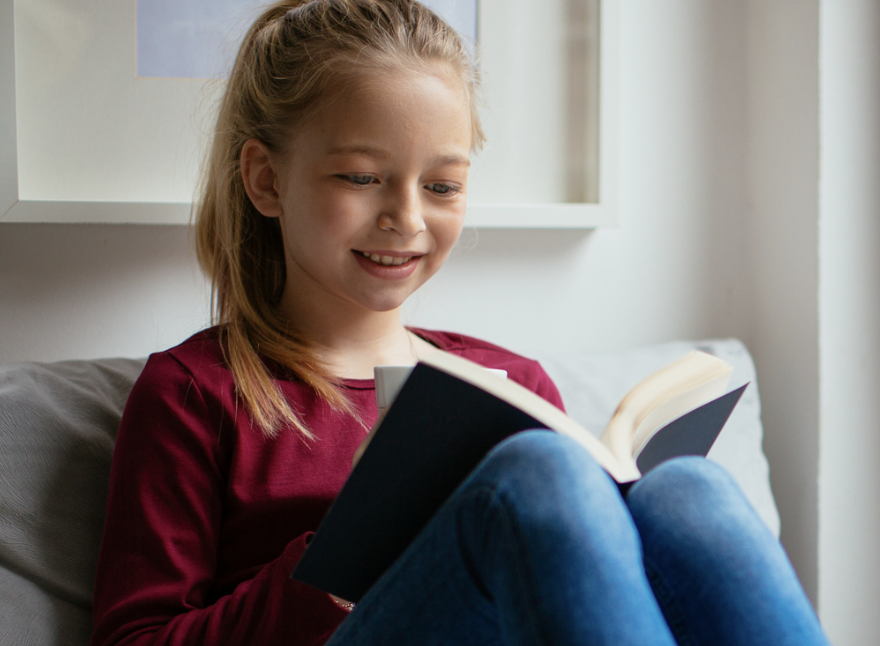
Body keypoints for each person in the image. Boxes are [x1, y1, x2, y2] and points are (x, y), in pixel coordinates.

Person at [88, 1, 828, 644]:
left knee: (687, 490)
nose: (406, 218)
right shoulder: (195, 393)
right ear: (265, 178)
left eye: (441, 185)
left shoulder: (510, 383)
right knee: (537, 471)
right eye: (360, 177)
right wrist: (339, 553)